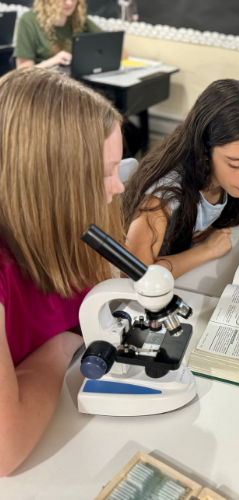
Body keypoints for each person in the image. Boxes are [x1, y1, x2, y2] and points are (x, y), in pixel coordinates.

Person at [0, 67, 125, 477]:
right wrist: (61, 346)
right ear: (55, 179)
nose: (119, 186)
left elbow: (112, 294)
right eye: (107, 172)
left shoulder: (66, 224)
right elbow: (6, 451)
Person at [122, 79, 239, 278]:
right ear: (204, 149)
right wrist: (207, 250)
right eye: (236, 165)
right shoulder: (162, 197)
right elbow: (135, 276)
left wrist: (216, 226)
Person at [14, 0, 103, 69]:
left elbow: (107, 41)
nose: (69, 3)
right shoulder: (29, 21)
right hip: (43, 83)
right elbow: (22, 72)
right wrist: (51, 63)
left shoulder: (78, 19)